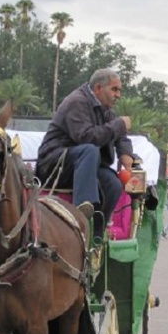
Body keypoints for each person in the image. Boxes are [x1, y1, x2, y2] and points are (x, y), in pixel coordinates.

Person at [35, 68, 133, 239]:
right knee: (89, 149)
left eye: (119, 91)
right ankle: (83, 206)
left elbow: (119, 135)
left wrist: (127, 154)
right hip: (54, 163)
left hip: (83, 164)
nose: (118, 95)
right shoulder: (76, 101)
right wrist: (119, 125)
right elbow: (86, 137)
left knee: (113, 184)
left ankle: (96, 235)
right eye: (114, 89)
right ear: (98, 88)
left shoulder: (106, 109)